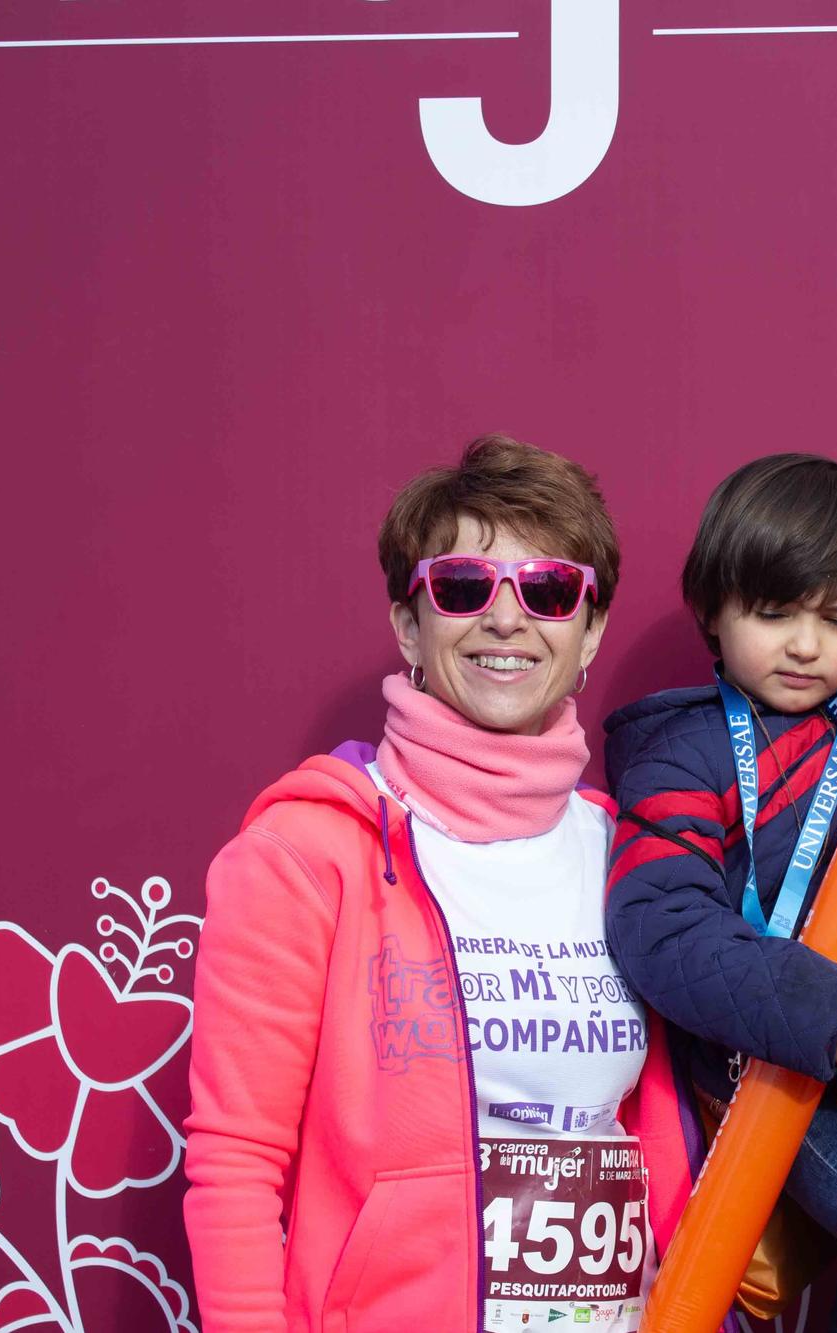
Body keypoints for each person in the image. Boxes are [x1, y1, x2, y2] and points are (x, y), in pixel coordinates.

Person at [184, 434, 693, 1333]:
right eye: (464, 587)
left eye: (547, 589)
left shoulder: (627, 850)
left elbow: (654, 1140)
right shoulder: (305, 852)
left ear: (591, 630)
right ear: (409, 624)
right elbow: (234, 1165)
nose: (506, 618)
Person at [605, 454, 837, 1332]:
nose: (807, 645)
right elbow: (659, 924)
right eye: (774, 614)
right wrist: (833, 1013)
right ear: (713, 609)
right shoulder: (684, 751)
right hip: (758, 1075)